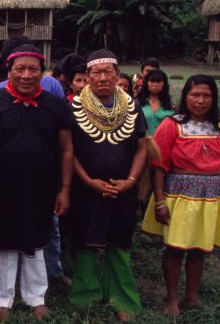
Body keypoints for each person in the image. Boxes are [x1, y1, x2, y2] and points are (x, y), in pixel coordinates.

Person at [0, 44, 74, 321]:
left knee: (37, 240)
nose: (27, 75)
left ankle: (35, 296)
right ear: (9, 71)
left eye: (33, 69)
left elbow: (66, 150)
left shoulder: (55, 104)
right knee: (3, 242)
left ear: (43, 73)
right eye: (20, 69)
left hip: (42, 186)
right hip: (2, 187)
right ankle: (2, 298)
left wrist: (64, 189)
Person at [141, 74, 220, 317]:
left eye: (206, 95)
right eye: (194, 95)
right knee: (176, 248)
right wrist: (159, 201)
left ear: (214, 98)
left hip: (213, 197)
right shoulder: (172, 125)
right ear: (185, 97)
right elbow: (158, 164)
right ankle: (172, 298)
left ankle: (191, 294)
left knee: (200, 248)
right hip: (180, 196)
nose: (200, 100)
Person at [67, 49, 147, 322]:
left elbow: (141, 147)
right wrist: (89, 181)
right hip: (86, 188)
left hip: (123, 190)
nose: (103, 77)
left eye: (108, 72)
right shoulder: (74, 108)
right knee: (85, 241)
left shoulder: (132, 108)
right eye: (96, 72)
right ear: (87, 77)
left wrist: (131, 181)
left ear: (117, 74)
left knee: (120, 242)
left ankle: (122, 298)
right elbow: (68, 152)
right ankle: (85, 294)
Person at [136, 69, 174, 135]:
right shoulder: (137, 103)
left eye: (159, 82)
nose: (155, 84)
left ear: (164, 84)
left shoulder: (171, 105)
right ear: (146, 83)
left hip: (164, 142)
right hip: (143, 142)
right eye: (152, 81)